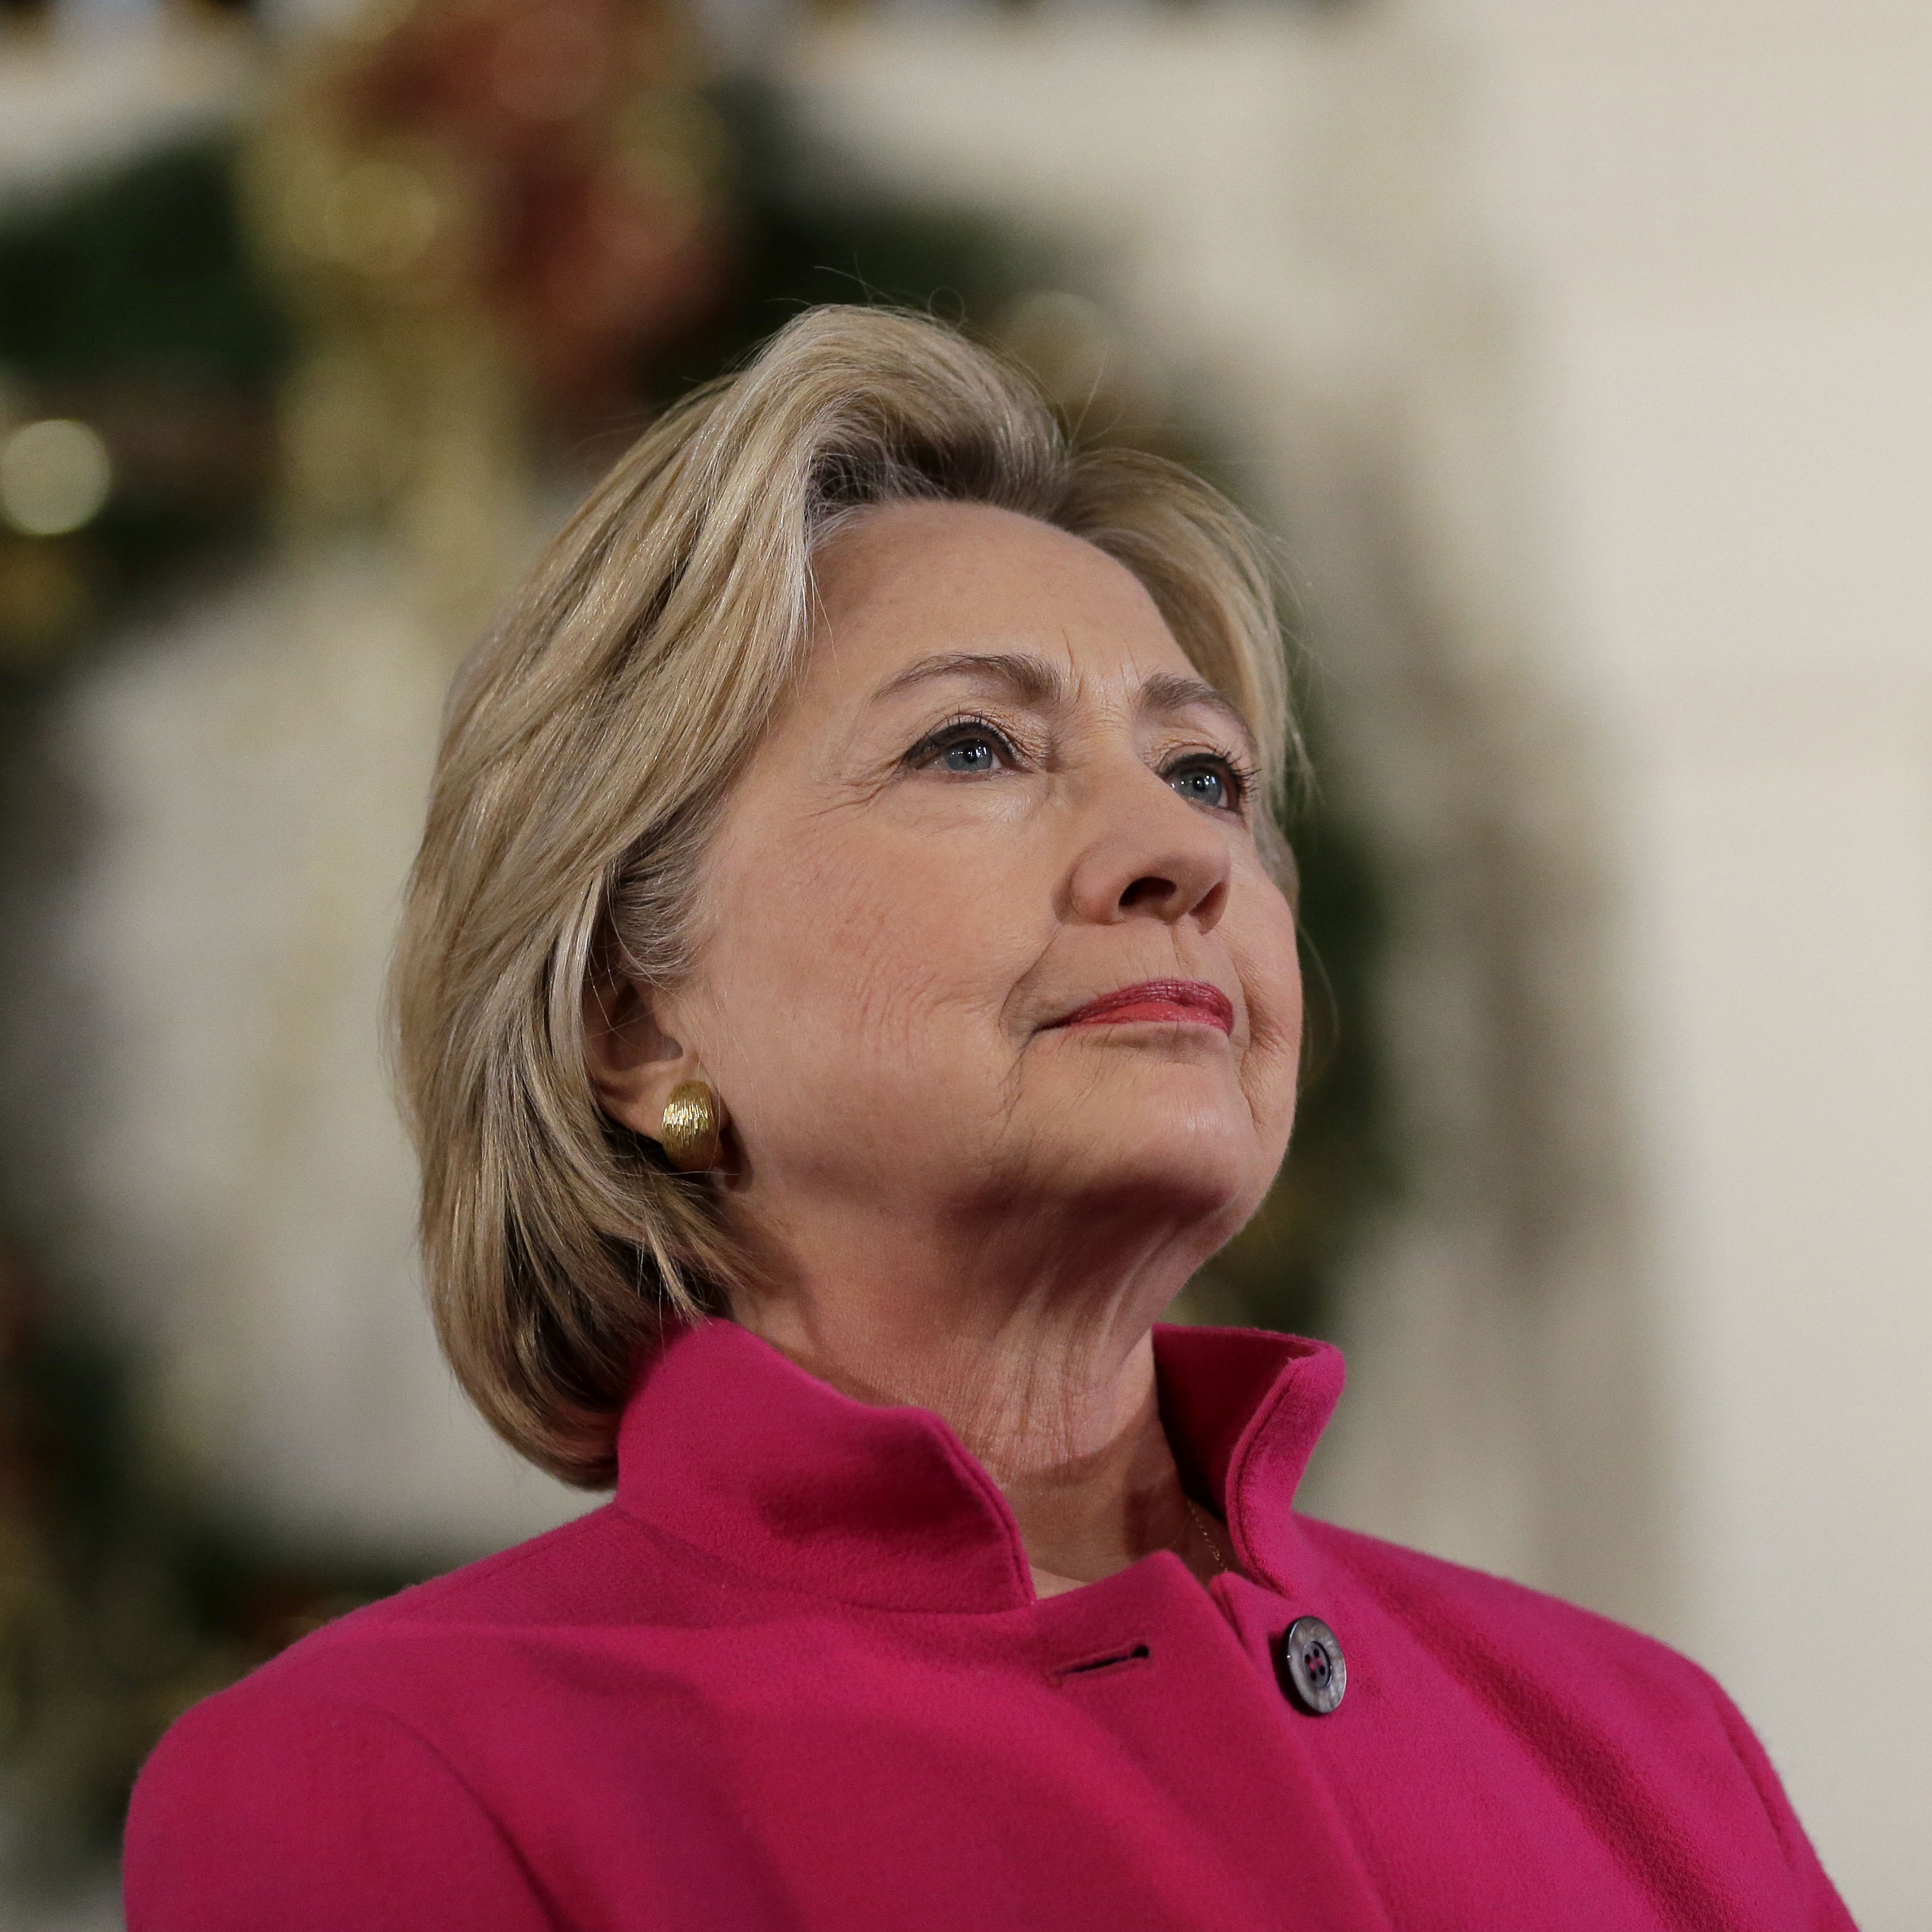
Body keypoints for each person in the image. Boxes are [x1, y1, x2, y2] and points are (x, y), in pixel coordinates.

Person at [123, 307, 1853, 1931]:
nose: (1180, 854)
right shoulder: (383, 1779)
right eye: (970, 748)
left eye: (1206, 777)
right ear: (631, 1021)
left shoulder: (1643, 1737)